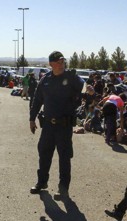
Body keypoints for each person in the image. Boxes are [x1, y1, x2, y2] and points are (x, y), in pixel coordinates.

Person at [29, 51, 84, 199]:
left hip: (64, 126)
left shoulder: (72, 78)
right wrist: (32, 118)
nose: (61, 64)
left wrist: (89, 91)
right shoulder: (45, 80)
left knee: (64, 157)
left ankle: (63, 188)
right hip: (47, 125)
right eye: (58, 62)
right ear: (51, 64)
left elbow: (84, 87)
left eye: (63, 61)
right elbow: (37, 100)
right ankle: (42, 182)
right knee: (44, 154)